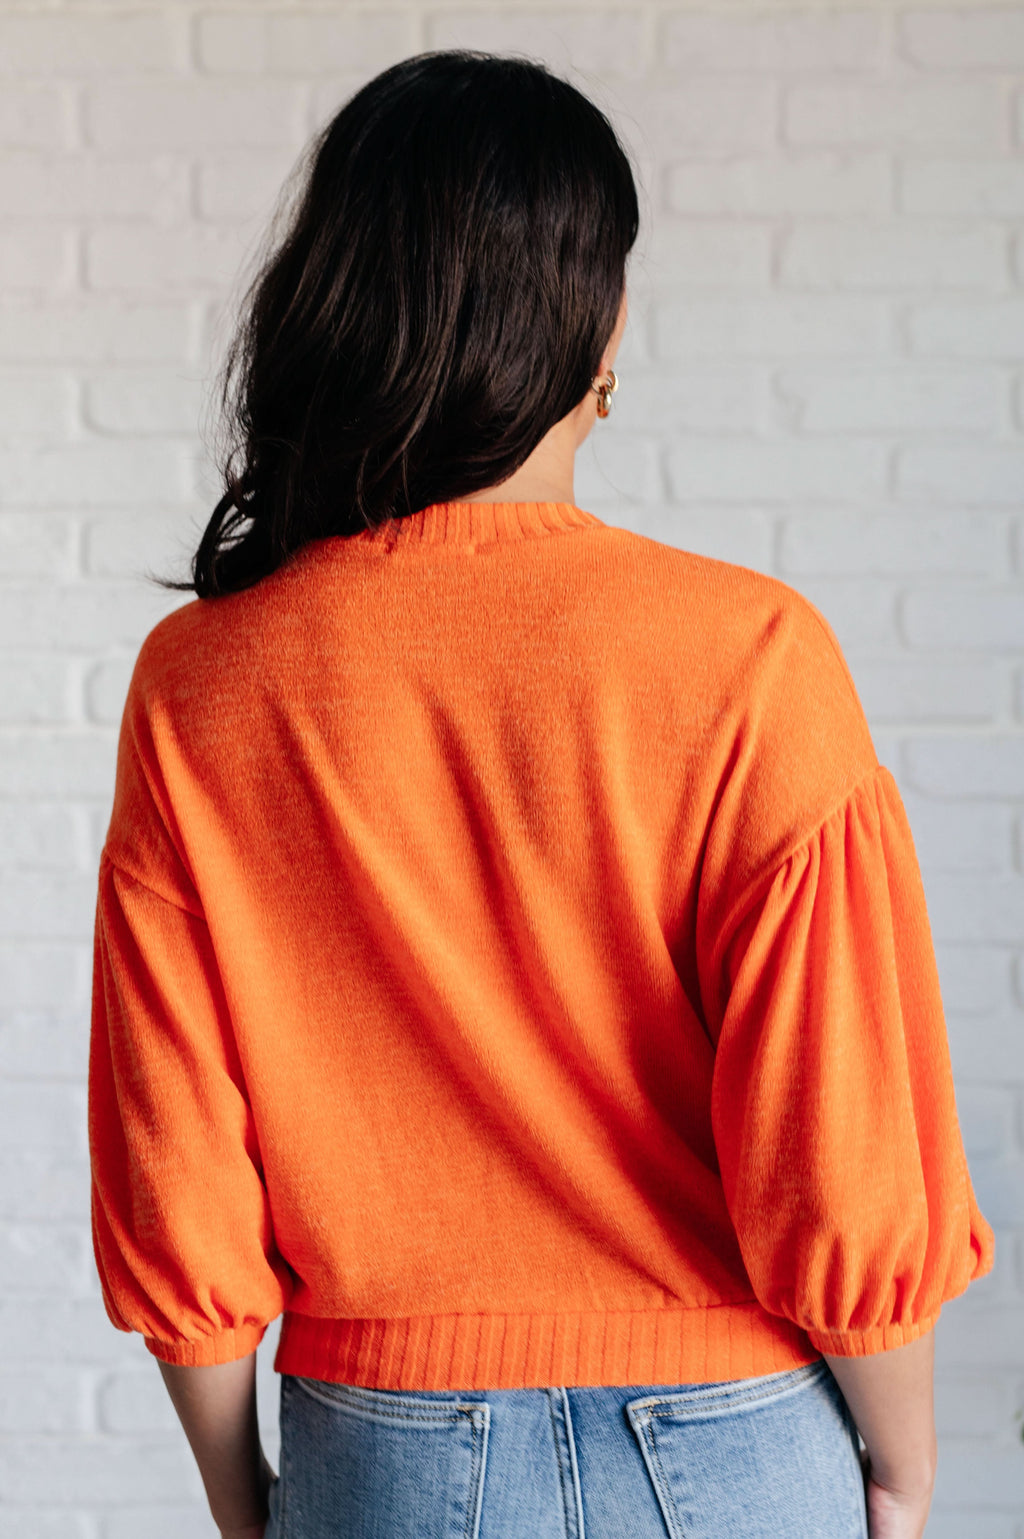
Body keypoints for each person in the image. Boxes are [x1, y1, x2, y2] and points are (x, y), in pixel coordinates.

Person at [87, 50, 994, 1539]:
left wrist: (240, 1490)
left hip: (379, 1445)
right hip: (740, 1438)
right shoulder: (751, 653)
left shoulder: (202, 683)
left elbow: (170, 1145)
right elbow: (840, 1147)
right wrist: (902, 1463)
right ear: (602, 323)